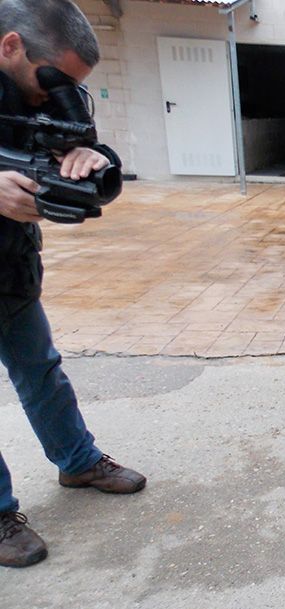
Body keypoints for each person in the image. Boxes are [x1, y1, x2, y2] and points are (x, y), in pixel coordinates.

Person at [0, 0, 145, 568]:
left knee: (42, 372)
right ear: (11, 46)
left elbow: (96, 172)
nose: (58, 93)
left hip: (11, 270)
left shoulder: (44, 94)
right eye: (54, 79)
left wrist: (93, 157)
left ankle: (77, 461)